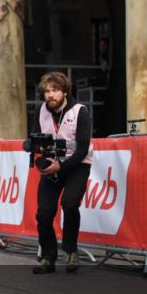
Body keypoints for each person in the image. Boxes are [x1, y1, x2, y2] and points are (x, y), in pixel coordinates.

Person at [32, 71, 92, 274]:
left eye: (55, 90)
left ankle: (71, 250)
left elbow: (83, 149)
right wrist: (36, 152)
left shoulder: (79, 111)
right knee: (44, 213)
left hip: (78, 165)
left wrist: (61, 166)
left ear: (65, 91)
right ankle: (48, 257)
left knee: (70, 204)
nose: (50, 95)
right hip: (52, 164)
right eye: (47, 91)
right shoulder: (41, 110)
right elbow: (34, 140)